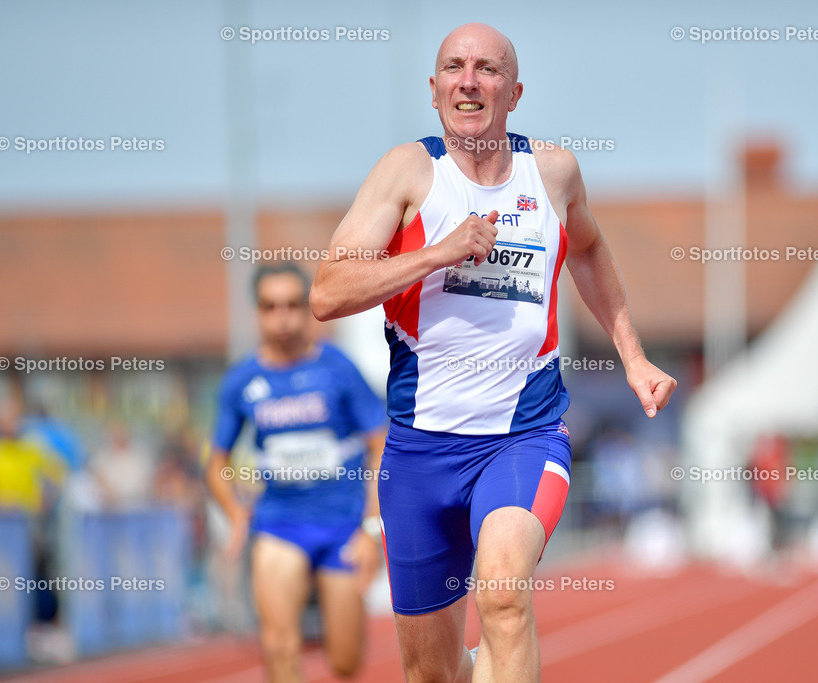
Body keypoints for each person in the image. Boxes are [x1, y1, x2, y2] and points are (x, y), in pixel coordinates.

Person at [310, 23, 677, 682]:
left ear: (514, 91)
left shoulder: (555, 172)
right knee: (433, 672)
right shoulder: (407, 172)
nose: (469, 80)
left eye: (487, 69)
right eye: (455, 67)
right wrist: (436, 252)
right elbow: (328, 291)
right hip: (420, 450)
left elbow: (589, 248)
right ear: (434, 89)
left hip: (523, 436)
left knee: (503, 592)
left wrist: (634, 356)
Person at [206, 262, 387, 682]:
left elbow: (379, 446)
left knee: (344, 660)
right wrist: (235, 514)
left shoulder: (338, 368)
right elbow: (216, 463)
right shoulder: (241, 381)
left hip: (343, 526)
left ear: (307, 309)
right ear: (257, 312)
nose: (282, 316)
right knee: (279, 643)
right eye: (270, 306)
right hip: (278, 524)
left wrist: (372, 528)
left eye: (291, 305)